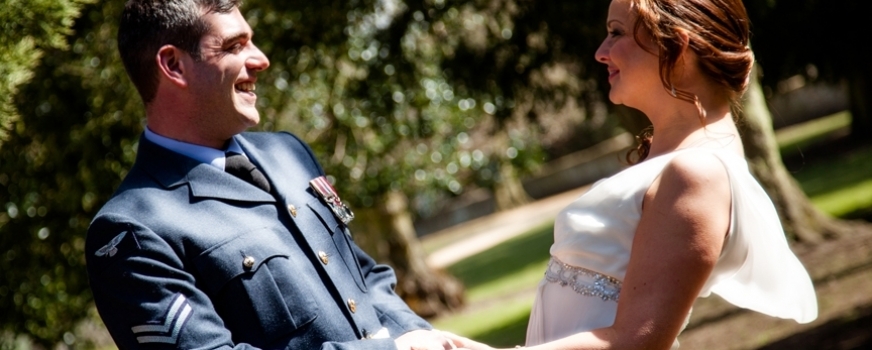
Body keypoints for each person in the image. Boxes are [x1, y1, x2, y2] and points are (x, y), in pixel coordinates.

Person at [85, 1, 461, 349]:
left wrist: (416, 334)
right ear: (173, 66)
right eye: (235, 46)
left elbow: (362, 276)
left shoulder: (288, 152)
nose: (261, 60)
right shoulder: (132, 231)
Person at [446, 0, 817, 349]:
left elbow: (636, 342)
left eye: (617, 32)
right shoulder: (673, 156)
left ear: (678, 45)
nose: (601, 51)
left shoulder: (697, 172)